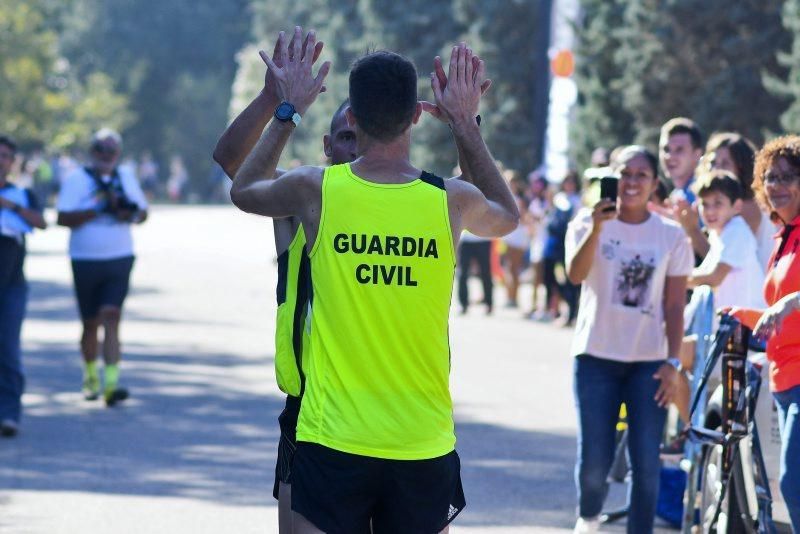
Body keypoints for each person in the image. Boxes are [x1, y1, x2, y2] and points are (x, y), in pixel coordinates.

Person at [231, 29, 517, 533]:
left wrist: (288, 108)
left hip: (332, 438)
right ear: (415, 115)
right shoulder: (449, 200)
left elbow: (245, 189)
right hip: (421, 440)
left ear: (354, 119)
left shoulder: (315, 189)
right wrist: (464, 125)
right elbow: (508, 216)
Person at [213, 33, 355, 534]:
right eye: (344, 136)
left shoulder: (416, 201)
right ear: (326, 145)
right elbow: (234, 163)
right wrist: (277, 100)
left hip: (391, 409)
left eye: (363, 135)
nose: (353, 146)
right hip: (309, 408)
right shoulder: (303, 197)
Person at [565, 145, 693, 534]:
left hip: (648, 363)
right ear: (611, 177)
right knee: (595, 463)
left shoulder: (671, 236)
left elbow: (674, 305)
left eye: (641, 175)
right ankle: (589, 517)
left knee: (646, 462)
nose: (631, 182)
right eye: (624, 173)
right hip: (596, 358)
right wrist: (598, 229)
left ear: (655, 184)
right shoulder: (585, 224)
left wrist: (672, 363)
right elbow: (574, 275)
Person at [727, 136, 800, 531]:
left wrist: (789, 303)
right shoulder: (783, 239)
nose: (778, 185)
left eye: (789, 177)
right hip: (784, 380)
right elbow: (779, 313)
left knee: (794, 483)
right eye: (771, 177)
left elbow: (789, 304)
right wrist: (745, 315)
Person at [56, 129, 148, 406]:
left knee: (112, 315)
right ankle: (90, 377)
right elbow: (62, 217)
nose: (107, 156)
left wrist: (126, 212)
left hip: (119, 257)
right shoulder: (77, 179)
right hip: (85, 259)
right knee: (90, 323)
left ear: (118, 153)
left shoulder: (126, 177)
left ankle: (111, 384)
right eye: (101, 150)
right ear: (92, 151)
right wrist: (97, 209)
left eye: (112, 151)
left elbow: (142, 212)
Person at [0, 136, 46, 437]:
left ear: (13, 162)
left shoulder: (22, 193)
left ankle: (9, 414)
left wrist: (11, 205)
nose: (1, 160)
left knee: (8, 349)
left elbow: (41, 222)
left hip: (11, 285)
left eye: (6, 156)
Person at [688, 170, 765, 310]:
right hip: (731, 325)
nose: (710, 211)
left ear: (736, 206)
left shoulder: (737, 231)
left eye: (718, 203)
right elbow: (703, 272)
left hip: (747, 326)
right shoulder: (718, 233)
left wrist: (675, 278)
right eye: (704, 204)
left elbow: (714, 277)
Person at [501, 176, 530, 308]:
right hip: (508, 236)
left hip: (518, 236)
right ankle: (509, 297)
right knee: (508, 267)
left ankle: (514, 298)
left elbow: (523, 218)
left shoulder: (521, 200)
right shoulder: (504, 197)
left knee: (515, 268)